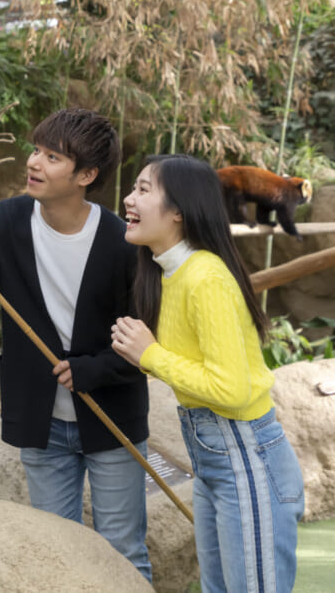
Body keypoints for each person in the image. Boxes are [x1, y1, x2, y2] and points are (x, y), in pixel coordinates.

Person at [0, 107, 151, 581]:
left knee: (124, 553)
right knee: (55, 554)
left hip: (112, 418)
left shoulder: (122, 240)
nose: (34, 162)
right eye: (36, 150)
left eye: (53, 157)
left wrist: (93, 369)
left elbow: (146, 339)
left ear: (86, 175)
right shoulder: (5, 221)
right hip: (42, 421)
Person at [111, 154, 305, 593]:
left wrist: (151, 356)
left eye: (143, 190)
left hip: (245, 455)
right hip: (217, 457)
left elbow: (232, 390)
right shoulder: (169, 273)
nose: (128, 198)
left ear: (179, 211)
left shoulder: (205, 277)